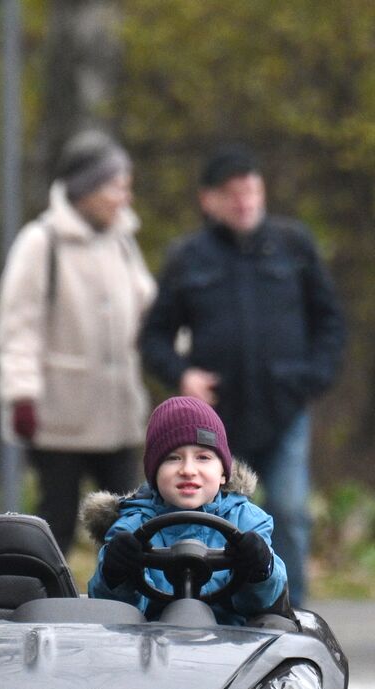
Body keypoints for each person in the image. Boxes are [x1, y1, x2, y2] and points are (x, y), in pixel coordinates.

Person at [140, 144, 345, 606]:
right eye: (232, 193)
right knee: (222, 514)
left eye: (251, 189)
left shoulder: (294, 245)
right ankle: (219, 606)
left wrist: (312, 378)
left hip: (285, 410)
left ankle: (292, 611)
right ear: (208, 200)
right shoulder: (188, 257)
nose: (244, 200)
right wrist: (183, 375)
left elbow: (330, 322)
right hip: (219, 422)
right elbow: (154, 338)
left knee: (290, 512)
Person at [0, 130, 156, 553]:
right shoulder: (39, 243)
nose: (125, 197)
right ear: (87, 188)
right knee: (55, 525)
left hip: (118, 418)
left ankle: (128, 607)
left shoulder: (122, 242)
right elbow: (18, 328)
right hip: (58, 422)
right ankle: (44, 607)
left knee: (130, 526)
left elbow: (149, 311)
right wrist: (22, 396)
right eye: (117, 186)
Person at [83, 396, 287, 625]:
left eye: (203, 458)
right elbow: (112, 610)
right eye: (173, 458)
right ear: (154, 475)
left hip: (233, 645)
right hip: (154, 644)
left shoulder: (248, 521)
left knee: (277, 625)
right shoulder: (131, 527)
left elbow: (264, 601)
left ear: (223, 474)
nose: (188, 470)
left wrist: (259, 570)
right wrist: (116, 574)